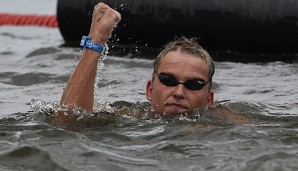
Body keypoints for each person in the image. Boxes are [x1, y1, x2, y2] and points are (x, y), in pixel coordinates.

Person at [59, 2, 248, 124]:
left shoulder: (224, 122)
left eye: (194, 84)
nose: (179, 93)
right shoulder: (130, 119)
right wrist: (96, 40)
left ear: (209, 100)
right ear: (150, 90)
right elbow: (69, 120)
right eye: (168, 80)